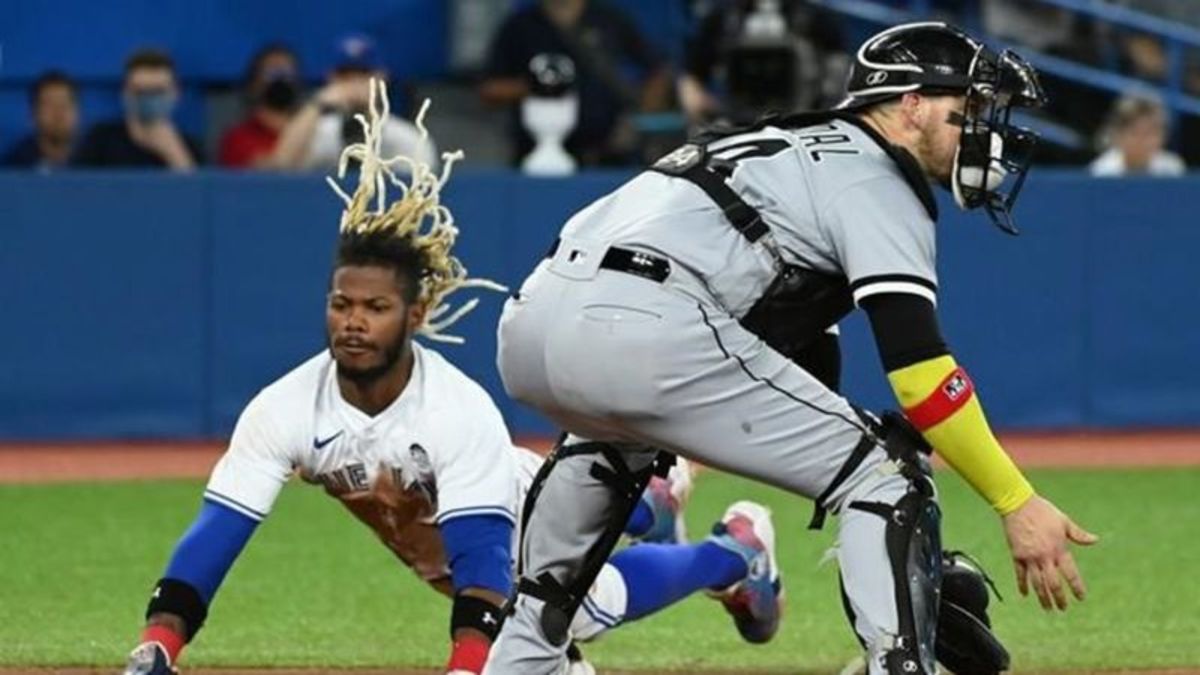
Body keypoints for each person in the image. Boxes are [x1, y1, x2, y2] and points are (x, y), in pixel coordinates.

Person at [485, 22, 1098, 675]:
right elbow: (919, 372)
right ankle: (900, 666)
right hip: (648, 327)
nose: (983, 128)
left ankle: (523, 655)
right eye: (967, 108)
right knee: (888, 475)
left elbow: (789, 355)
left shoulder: (776, 139)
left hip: (534, 321)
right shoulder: (877, 177)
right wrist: (1016, 501)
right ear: (910, 104)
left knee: (608, 442)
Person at [120, 81, 785, 675]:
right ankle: (652, 501)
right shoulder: (286, 408)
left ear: (414, 314)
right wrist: (158, 644)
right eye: (341, 303)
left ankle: (736, 553)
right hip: (455, 554)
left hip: (518, 521)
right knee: (601, 566)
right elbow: (214, 539)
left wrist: (468, 666)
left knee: (587, 605)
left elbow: (482, 567)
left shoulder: (453, 412)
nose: (353, 322)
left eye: (375, 308)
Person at [479, 0, 671, 167]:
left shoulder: (609, 19)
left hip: (608, 153)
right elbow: (489, 89)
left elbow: (658, 70)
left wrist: (642, 117)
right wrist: (540, 85)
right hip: (534, 153)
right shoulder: (520, 26)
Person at [269, 34, 436, 172]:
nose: (354, 84)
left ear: (382, 78)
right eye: (345, 75)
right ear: (331, 78)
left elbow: (422, 196)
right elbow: (282, 166)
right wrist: (317, 104)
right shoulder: (318, 132)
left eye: (364, 74)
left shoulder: (407, 137)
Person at [677, 0, 847, 126]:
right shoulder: (722, 18)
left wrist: (825, 110)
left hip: (802, 117)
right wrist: (698, 101)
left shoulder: (813, 17)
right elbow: (693, 76)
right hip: (738, 120)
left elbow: (839, 67)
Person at [72, 49, 201, 170]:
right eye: (140, 91)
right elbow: (72, 189)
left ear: (175, 93)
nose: (149, 99)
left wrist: (175, 154)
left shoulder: (191, 147)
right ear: (125, 93)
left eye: (158, 91)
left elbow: (203, 192)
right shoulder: (99, 141)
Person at [218, 44, 303, 169]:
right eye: (272, 72)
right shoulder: (238, 138)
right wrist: (316, 106)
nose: (281, 79)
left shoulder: (316, 133)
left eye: (287, 72)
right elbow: (273, 169)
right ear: (254, 84)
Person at [1090, 95, 1186, 177]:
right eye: (1135, 133)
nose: (1143, 141)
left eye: (1150, 133)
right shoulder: (1101, 171)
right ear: (1118, 134)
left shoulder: (1173, 169)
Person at [1, 70, 79, 169]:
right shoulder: (13, 166)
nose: (59, 114)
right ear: (32, 114)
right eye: (50, 105)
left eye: (65, 104)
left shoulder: (95, 159)